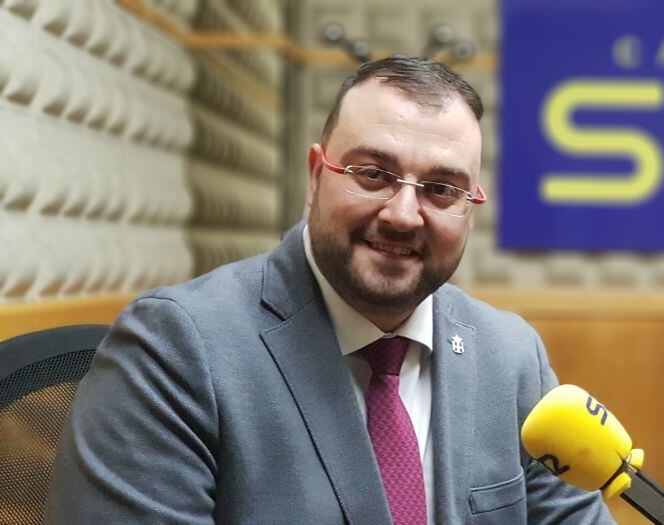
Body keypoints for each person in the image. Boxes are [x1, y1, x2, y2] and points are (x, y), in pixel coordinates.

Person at [46, 56, 614, 524]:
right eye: (373, 174)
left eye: (442, 189)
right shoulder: (174, 348)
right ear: (317, 174)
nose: (403, 215)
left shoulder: (511, 357)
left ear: (470, 207)